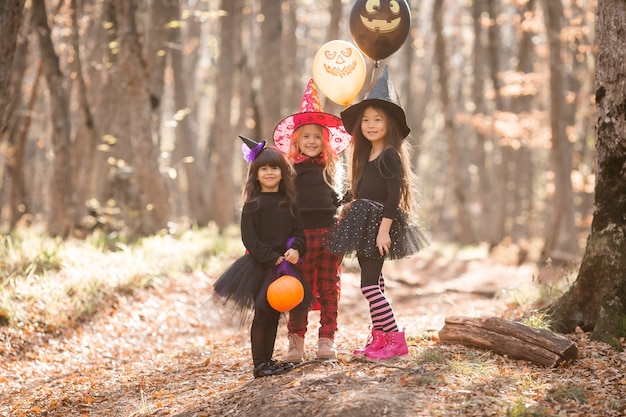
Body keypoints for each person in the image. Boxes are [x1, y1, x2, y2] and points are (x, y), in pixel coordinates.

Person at [328, 67, 429, 360]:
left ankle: (395, 339)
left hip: (377, 224)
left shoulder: (389, 154)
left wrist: (383, 230)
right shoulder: (365, 154)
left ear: (390, 124)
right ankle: (380, 339)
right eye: (367, 120)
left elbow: (393, 195)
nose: (371, 125)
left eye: (378, 119)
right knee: (377, 282)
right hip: (362, 222)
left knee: (369, 286)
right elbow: (360, 192)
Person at [213, 136, 311, 378]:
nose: (269, 173)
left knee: (275, 313)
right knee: (262, 313)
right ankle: (260, 364)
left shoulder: (288, 203)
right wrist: (270, 257)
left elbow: (299, 231)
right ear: (255, 174)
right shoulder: (252, 205)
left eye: (274, 168)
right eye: (264, 169)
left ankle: (269, 360)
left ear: (282, 172)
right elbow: (250, 239)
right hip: (260, 266)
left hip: (284, 267)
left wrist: (297, 249)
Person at [273, 79, 351, 362]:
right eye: (306, 136)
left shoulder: (332, 168)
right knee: (300, 288)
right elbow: (285, 203)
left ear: (325, 141)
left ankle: (327, 340)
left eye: (317, 136)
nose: (312, 141)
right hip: (302, 237)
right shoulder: (291, 170)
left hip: (331, 233)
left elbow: (340, 199)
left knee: (330, 286)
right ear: (297, 141)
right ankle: (296, 342)